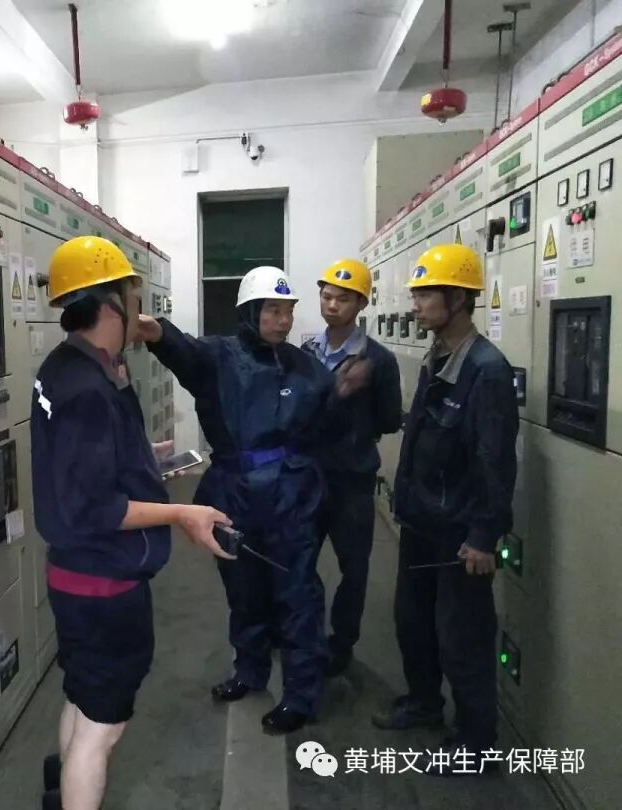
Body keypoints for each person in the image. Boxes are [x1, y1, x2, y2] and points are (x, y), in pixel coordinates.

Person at [31, 235, 234, 810]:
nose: (140, 310)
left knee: (83, 699)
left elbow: (82, 466)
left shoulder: (66, 365)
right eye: (131, 294)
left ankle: (59, 797)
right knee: (103, 726)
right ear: (110, 303)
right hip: (103, 587)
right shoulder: (87, 388)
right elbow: (100, 507)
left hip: (75, 575)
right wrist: (183, 512)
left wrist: (143, 459)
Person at [134, 266, 370, 735]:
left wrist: (341, 395)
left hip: (291, 494)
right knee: (243, 589)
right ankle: (249, 670)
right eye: (273, 311)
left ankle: (301, 695)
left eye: (288, 311)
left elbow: (328, 425)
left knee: (297, 593)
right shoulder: (219, 357)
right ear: (249, 311)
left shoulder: (306, 367)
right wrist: (153, 329)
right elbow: (181, 348)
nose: (283, 321)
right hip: (233, 490)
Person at [371, 244, 518, 776]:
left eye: (425, 294)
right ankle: (423, 702)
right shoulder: (438, 358)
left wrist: (483, 535)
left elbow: (495, 461)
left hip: (459, 530)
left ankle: (477, 743)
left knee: (464, 638)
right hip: (423, 520)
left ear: (457, 299)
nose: (414, 305)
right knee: (413, 623)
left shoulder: (487, 371)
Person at [304, 259, 402, 677]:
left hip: (352, 482)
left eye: (343, 299)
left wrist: (357, 421)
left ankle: (341, 643)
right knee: (300, 561)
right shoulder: (307, 354)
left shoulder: (379, 360)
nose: (332, 305)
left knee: (354, 568)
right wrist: (338, 392)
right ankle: (303, 633)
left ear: (361, 303)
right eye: (326, 296)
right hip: (308, 477)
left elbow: (390, 419)